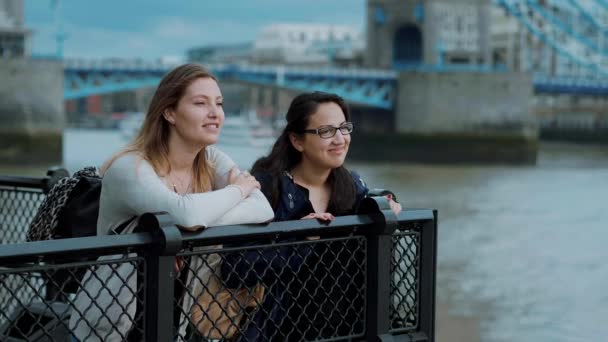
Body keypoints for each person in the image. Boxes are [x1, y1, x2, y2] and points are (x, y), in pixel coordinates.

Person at [68, 63, 274, 342]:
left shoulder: (211, 160)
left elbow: (262, 209)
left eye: (219, 103)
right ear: (169, 112)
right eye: (201, 103)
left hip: (171, 323)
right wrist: (236, 192)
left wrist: (197, 219)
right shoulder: (131, 167)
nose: (215, 113)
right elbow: (186, 215)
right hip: (109, 324)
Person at [223, 91, 401, 340]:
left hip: (345, 330)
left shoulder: (351, 185)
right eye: (326, 131)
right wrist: (297, 241)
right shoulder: (267, 187)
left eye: (344, 128)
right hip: (277, 331)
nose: (340, 139)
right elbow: (234, 268)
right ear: (297, 141)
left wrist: (386, 204)